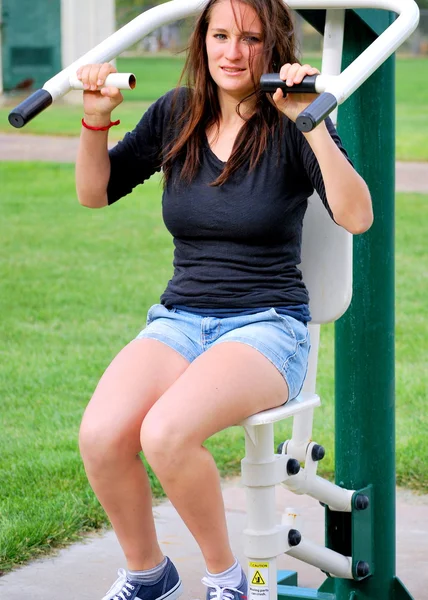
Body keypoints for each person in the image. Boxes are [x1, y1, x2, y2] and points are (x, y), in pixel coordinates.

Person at [76, 0, 373, 599]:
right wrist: (94, 119)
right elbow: (94, 191)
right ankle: (147, 574)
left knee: (164, 433)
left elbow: (357, 215)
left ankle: (225, 578)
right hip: (181, 319)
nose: (233, 53)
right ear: (202, 40)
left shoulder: (293, 120)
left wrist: (308, 119)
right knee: (102, 436)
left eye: (250, 38)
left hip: (267, 327)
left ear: (274, 47)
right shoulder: (177, 112)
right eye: (220, 35)